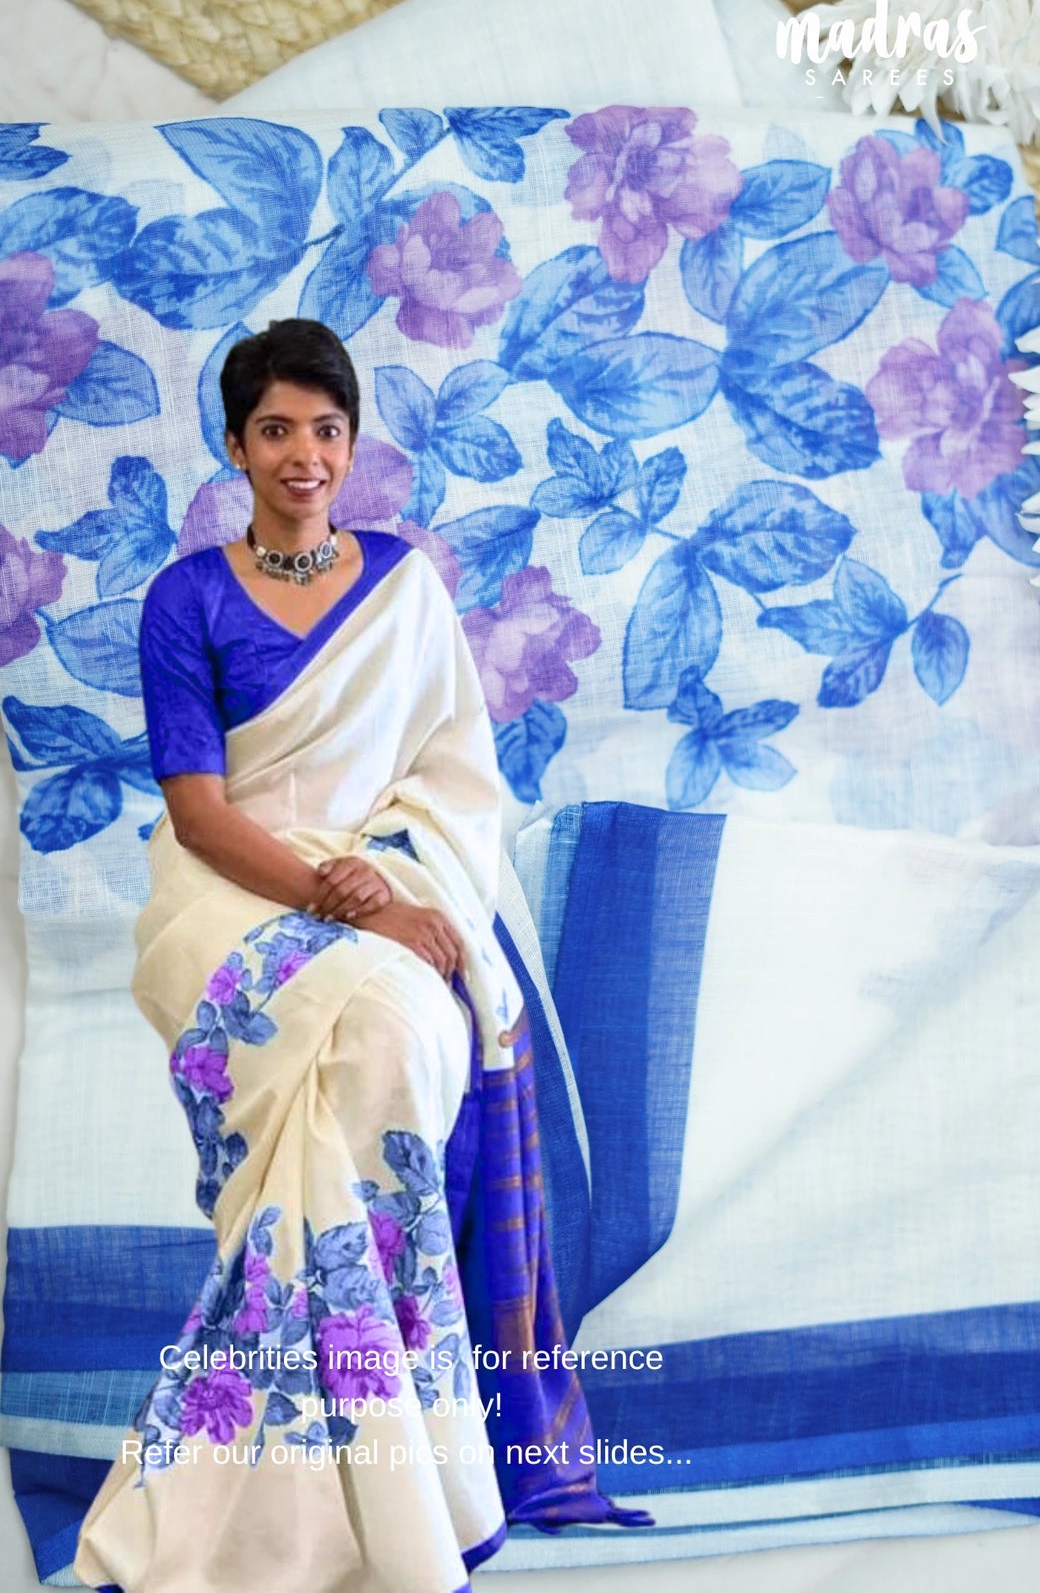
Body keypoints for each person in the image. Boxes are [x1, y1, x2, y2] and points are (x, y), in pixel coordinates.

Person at [73, 318, 649, 1593]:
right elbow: (201, 809)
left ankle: (345, 1472)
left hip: (383, 875)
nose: (303, 454)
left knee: (399, 1030)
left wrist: (384, 884)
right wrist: (348, 903)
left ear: (352, 444)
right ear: (235, 445)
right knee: (374, 1010)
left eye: (325, 430)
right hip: (227, 899)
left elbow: (453, 775)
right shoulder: (188, 597)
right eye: (276, 429)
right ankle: (378, 1476)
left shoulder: (405, 587)